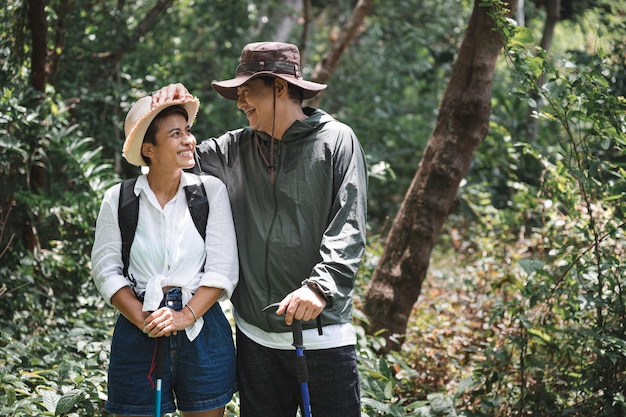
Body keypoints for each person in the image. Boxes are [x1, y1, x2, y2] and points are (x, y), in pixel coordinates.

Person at [153, 41, 368, 417]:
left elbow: (349, 226)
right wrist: (163, 112)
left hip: (322, 338)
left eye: (246, 90)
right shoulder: (233, 149)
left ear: (280, 88)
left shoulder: (336, 141)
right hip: (255, 340)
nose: (239, 102)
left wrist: (319, 287)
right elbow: (166, 163)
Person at [91, 95, 238, 417]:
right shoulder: (118, 199)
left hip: (202, 327)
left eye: (188, 130)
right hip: (138, 325)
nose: (189, 140)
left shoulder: (210, 191)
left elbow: (222, 267)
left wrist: (185, 315)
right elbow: (106, 269)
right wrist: (145, 320)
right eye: (176, 134)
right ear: (149, 149)